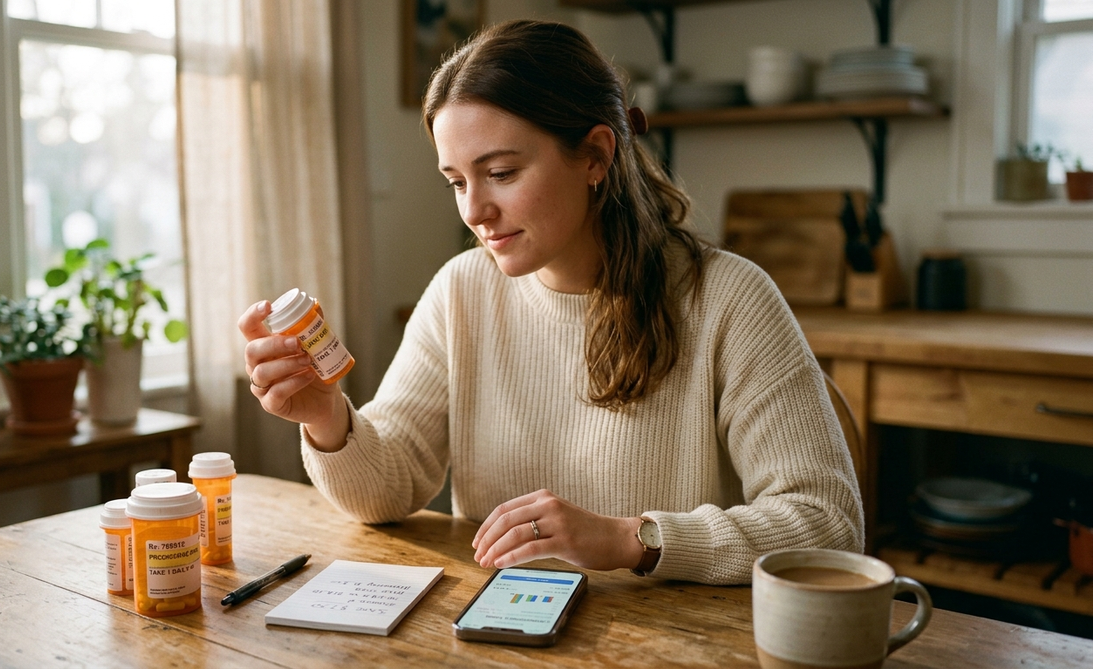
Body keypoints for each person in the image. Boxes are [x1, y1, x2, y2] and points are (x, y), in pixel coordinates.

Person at [239, 20, 862, 584]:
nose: (474, 212)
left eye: (502, 173)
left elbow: (828, 525)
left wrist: (631, 539)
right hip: (504, 633)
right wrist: (326, 418)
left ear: (594, 155)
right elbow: (389, 485)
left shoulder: (731, 299)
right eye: (457, 181)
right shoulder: (462, 290)